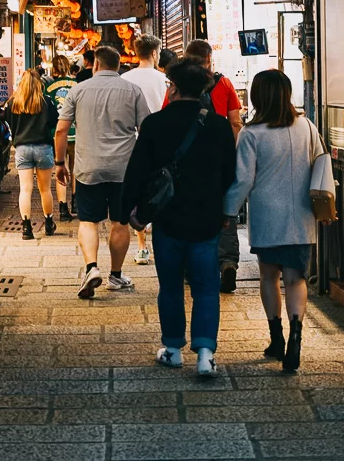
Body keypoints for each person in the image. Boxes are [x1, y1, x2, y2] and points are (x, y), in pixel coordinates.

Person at [122, 59, 237, 376]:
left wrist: (129, 210)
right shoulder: (217, 125)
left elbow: (138, 171)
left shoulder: (155, 124)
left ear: (173, 88)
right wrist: (225, 210)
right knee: (205, 287)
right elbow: (230, 173)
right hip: (207, 218)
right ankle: (205, 354)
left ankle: (172, 349)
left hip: (168, 218)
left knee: (170, 285)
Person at [224, 70, 326, 373]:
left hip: (268, 216)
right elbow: (320, 161)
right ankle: (296, 337)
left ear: (258, 96)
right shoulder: (306, 126)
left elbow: (243, 180)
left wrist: (227, 211)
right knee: (296, 279)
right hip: (301, 215)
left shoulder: (252, 133)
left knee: (269, 277)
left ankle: (276, 339)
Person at [55, 46, 150, 298]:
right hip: (123, 169)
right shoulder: (133, 91)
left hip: (88, 168)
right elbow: (147, 129)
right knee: (120, 223)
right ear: (118, 66)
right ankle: (116, 276)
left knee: (88, 221)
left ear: (95, 65)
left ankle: (91, 268)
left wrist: (59, 163)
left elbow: (61, 130)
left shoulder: (78, 91)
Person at [163, 39, 243, 293]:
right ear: (209, 60)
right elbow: (235, 122)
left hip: (184, 161)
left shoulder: (176, 87)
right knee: (225, 210)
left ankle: (190, 268)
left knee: (187, 209)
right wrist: (232, 154)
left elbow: (167, 119)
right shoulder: (224, 83)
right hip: (217, 157)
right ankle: (227, 262)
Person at [122, 34, 167, 265]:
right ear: (153, 53)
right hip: (161, 141)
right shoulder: (164, 80)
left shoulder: (125, 78)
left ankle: (141, 246)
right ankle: (161, 240)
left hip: (134, 140)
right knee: (160, 188)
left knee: (139, 190)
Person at [5, 70, 59, 240]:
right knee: (45, 190)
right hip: (43, 147)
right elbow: (54, 121)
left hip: (22, 148)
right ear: (39, 84)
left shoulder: (13, 102)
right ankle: (49, 222)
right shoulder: (46, 101)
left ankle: (26, 228)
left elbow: (7, 121)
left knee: (25, 189)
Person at [44, 55, 76, 221]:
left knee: (60, 167)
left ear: (54, 68)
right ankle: (75, 200)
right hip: (75, 131)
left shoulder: (49, 88)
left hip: (58, 133)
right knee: (74, 166)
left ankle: (63, 208)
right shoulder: (77, 85)